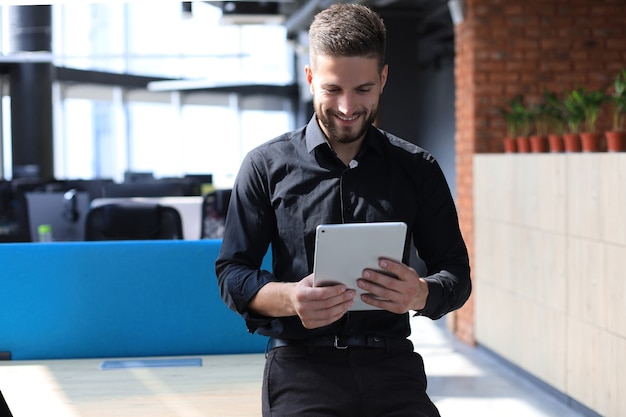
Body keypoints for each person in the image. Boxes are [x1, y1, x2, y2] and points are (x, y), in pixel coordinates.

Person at [215, 3, 471, 416]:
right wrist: (290, 297)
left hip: (392, 366)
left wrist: (421, 292)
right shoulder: (265, 166)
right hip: (300, 367)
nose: (348, 107)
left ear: (383, 78)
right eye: (333, 89)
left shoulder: (417, 169)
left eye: (363, 89)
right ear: (311, 78)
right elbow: (233, 273)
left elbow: (456, 274)